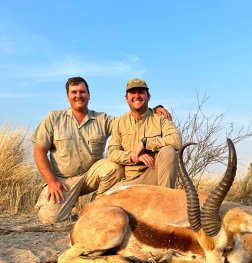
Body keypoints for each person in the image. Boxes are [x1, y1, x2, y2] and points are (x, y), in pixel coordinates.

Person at [31, 77, 171, 224]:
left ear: (89, 95)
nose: (78, 95)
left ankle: (95, 206)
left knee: (113, 166)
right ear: (68, 96)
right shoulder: (53, 118)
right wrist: (51, 181)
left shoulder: (102, 119)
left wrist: (154, 110)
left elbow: (132, 119)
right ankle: (66, 207)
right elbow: (39, 151)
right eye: (74, 92)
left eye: (82, 92)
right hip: (63, 180)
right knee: (51, 219)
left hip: (91, 176)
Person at [107, 78, 182, 190]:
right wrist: (133, 157)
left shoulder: (160, 118)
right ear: (126, 98)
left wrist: (146, 142)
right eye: (133, 92)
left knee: (168, 152)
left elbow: (177, 141)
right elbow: (112, 152)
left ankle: (163, 201)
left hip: (153, 174)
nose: (137, 96)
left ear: (148, 96)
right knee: (104, 200)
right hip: (131, 180)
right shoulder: (120, 122)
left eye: (141, 92)